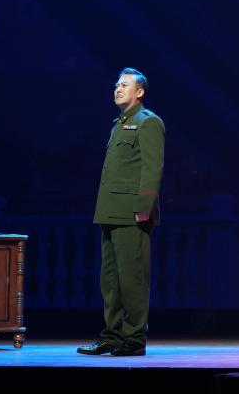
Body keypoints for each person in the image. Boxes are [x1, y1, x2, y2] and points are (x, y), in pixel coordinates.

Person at [78, 68, 164, 357]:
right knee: (110, 281)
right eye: (117, 84)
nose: (118, 88)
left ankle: (134, 338)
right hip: (110, 211)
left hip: (131, 213)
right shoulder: (119, 124)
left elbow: (152, 168)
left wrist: (144, 207)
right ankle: (112, 336)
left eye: (125, 85)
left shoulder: (148, 122)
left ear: (139, 92)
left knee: (132, 280)